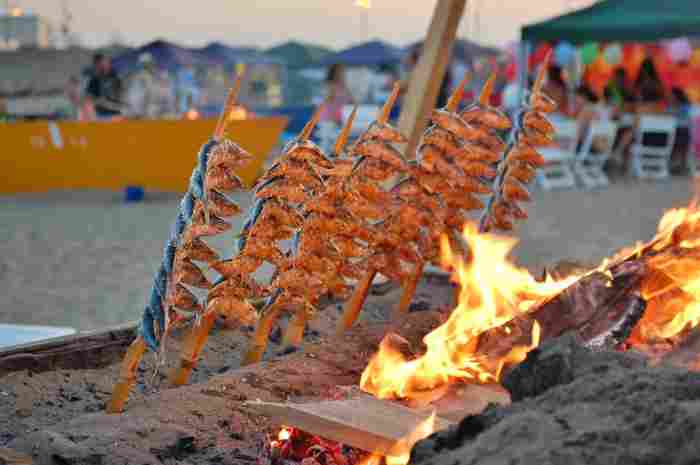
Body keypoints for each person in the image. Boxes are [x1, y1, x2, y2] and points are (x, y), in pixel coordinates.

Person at [318, 63, 352, 152]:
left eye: (342, 71)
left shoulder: (343, 85)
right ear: (334, 72)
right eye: (340, 71)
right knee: (326, 143)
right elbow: (327, 100)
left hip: (340, 118)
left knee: (339, 142)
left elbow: (350, 100)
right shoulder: (329, 85)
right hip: (328, 118)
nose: (342, 73)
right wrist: (330, 92)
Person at [85, 53, 124, 120]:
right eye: (99, 63)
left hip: (116, 114)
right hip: (101, 115)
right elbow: (89, 97)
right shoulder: (94, 79)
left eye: (106, 62)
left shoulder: (116, 76)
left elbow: (120, 93)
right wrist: (98, 101)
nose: (104, 64)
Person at [125, 53, 160, 119]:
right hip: (143, 113)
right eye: (150, 63)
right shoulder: (140, 77)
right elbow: (134, 97)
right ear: (145, 65)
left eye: (151, 63)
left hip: (149, 112)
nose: (152, 65)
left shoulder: (151, 76)